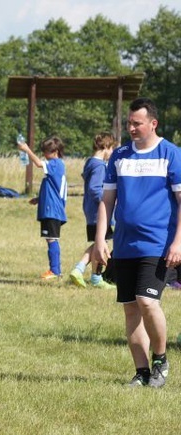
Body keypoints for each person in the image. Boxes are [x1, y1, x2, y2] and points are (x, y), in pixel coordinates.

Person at [93, 97, 181, 388]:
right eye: (128, 123)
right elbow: (107, 201)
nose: (131, 127)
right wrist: (100, 240)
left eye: (136, 123)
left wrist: (178, 242)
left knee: (147, 301)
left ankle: (160, 359)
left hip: (157, 244)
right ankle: (141, 372)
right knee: (131, 308)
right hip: (125, 245)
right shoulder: (119, 156)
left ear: (153, 123)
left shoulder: (171, 154)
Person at [68, 132, 117, 290]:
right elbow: (95, 189)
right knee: (100, 243)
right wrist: (109, 201)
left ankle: (96, 277)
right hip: (99, 213)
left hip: (91, 211)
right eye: (112, 149)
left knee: (99, 243)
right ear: (106, 147)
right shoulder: (99, 166)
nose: (112, 153)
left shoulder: (90, 163)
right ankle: (80, 269)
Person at [17, 136, 67, 280]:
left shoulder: (56, 164)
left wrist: (27, 150)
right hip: (50, 208)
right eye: (44, 151)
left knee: (51, 238)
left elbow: (38, 163)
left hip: (52, 210)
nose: (44, 154)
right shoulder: (55, 166)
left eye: (47, 152)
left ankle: (55, 270)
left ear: (55, 151)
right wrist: (39, 199)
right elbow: (54, 189)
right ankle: (55, 270)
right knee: (50, 238)